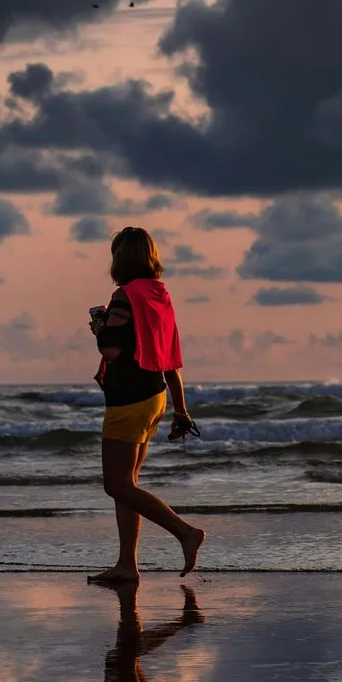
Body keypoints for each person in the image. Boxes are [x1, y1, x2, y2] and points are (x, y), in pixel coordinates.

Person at [85, 225, 205, 585]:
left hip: (129, 399)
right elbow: (172, 359)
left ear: (122, 257)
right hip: (156, 396)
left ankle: (186, 532)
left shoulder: (125, 297)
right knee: (128, 483)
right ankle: (127, 565)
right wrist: (181, 409)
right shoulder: (159, 295)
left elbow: (111, 350)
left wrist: (99, 326)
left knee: (116, 485)